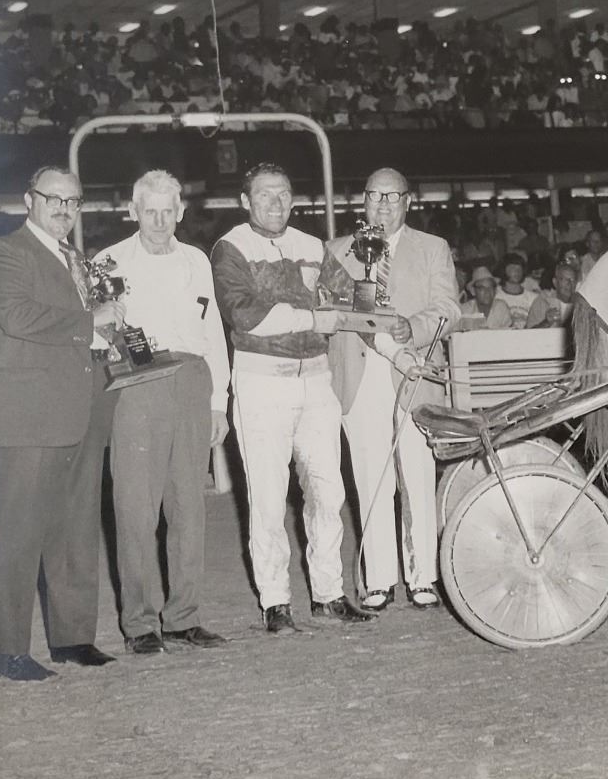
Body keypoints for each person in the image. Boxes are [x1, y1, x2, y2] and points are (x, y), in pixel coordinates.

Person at [210, 163, 372, 632]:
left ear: (293, 199)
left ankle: (329, 593)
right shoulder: (230, 247)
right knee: (267, 496)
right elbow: (245, 315)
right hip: (262, 382)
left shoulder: (312, 245)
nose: (275, 203)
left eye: (282, 193)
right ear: (246, 201)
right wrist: (312, 318)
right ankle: (276, 601)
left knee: (328, 491)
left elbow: (348, 297)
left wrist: (375, 299)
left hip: (316, 380)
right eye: (264, 194)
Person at [0, 166, 120, 681]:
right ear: (28, 200)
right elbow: (17, 316)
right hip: (28, 415)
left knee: (76, 529)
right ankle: (8, 651)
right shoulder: (5, 254)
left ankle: (73, 638)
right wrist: (91, 322)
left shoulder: (76, 259)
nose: (64, 209)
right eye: (53, 199)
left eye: (72, 201)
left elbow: (84, 331)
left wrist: (111, 339)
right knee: (19, 534)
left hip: (82, 408)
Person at [91, 171, 232, 655]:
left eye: (166, 211)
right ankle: (139, 623)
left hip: (192, 381)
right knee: (135, 508)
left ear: (180, 212)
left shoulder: (196, 261)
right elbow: (96, 337)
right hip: (138, 385)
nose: (158, 220)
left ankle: (183, 617)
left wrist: (219, 401)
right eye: (148, 211)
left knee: (189, 507)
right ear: (132, 211)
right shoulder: (108, 261)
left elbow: (213, 332)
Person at [323, 169, 461, 611]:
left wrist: (413, 328)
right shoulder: (337, 251)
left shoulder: (432, 248)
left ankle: (423, 577)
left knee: (417, 476)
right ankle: (379, 578)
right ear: (362, 201)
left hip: (414, 374)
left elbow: (449, 309)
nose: (382, 205)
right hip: (359, 375)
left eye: (392, 196)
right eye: (374, 195)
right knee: (370, 478)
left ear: (408, 201)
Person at [525, 261, 581, 329]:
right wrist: (546, 322)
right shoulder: (542, 301)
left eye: (572, 280)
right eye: (564, 279)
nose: (569, 283)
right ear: (555, 282)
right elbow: (529, 333)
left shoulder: (581, 305)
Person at [458, 265, 513, 331]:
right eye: (482, 288)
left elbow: (508, 334)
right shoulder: (465, 310)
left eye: (490, 287)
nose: (487, 292)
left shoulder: (501, 307)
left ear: (495, 290)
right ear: (473, 291)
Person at [495, 253, 538, 329]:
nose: (517, 272)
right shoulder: (495, 296)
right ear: (503, 270)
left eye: (520, 269)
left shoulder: (534, 298)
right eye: (512, 268)